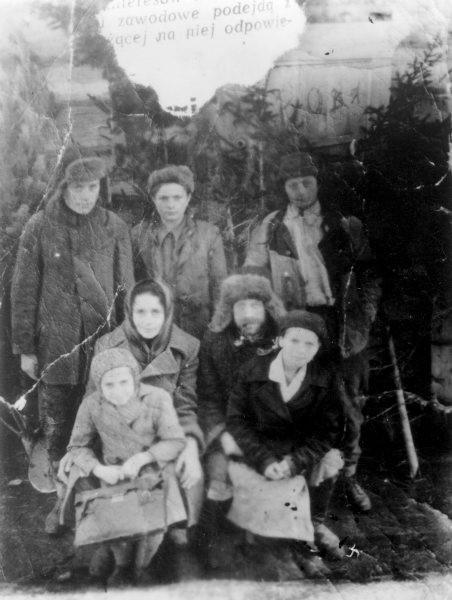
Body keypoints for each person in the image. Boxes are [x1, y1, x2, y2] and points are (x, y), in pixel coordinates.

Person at [244, 152, 381, 512]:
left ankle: (348, 475)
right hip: (295, 324)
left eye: (307, 182)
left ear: (317, 182)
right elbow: (254, 280)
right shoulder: (271, 227)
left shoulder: (344, 224)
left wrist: (364, 317)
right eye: (293, 185)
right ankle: (304, 481)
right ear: (284, 188)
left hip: (341, 324)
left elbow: (370, 275)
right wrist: (273, 321)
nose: (301, 190)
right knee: (298, 401)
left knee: (348, 402)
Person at [11, 150, 134, 533]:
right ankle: (62, 502)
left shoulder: (114, 226)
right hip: (56, 349)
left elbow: (127, 287)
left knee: (104, 422)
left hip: (104, 345)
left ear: (101, 187)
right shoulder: (39, 225)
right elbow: (24, 289)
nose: (85, 195)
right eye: (78, 187)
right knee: (59, 426)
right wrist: (26, 348)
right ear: (64, 187)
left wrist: (128, 342)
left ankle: (100, 503)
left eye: (92, 187)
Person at [226, 310, 345, 562]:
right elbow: (237, 421)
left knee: (331, 460)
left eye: (309, 344)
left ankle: (314, 523)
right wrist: (265, 460)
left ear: (317, 348)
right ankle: (262, 534)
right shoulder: (252, 372)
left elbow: (328, 432)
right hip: (260, 449)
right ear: (280, 340)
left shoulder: (326, 379)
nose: (301, 349)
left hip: (299, 452)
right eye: (294, 340)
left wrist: (294, 462)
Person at [66, 347, 187, 586]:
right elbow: (77, 446)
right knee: (117, 528)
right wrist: (98, 469)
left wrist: (144, 458)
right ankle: (121, 565)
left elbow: (175, 440)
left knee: (153, 529)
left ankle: (143, 566)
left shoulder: (157, 398)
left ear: (135, 378)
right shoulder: (91, 405)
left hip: (154, 472)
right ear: (99, 385)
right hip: (115, 474)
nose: (118, 391)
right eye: (109, 385)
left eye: (124, 382)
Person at [197, 271, 286, 564]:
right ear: (229, 311)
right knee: (218, 474)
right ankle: (215, 540)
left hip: (270, 428)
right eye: (240, 306)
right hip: (228, 427)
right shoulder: (214, 342)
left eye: (255, 305)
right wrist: (222, 434)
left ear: (267, 308)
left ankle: (260, 535)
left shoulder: (282, 341)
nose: (248, 314)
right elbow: (208, 398)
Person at [132, 164, 228, 340]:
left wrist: (217, 330)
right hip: (154, 330)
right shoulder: (139, 236)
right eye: (164, 198)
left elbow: (219, 286)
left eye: (177, 198)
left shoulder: (209, 234)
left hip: (199, 330)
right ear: (153, 198)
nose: (171, 205)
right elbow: (132, 284)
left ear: (188, 198)